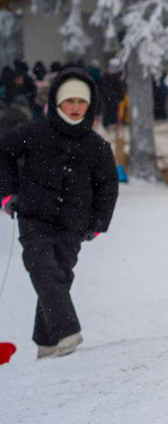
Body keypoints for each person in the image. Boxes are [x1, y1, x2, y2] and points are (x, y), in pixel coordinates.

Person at [0, 68, 119, 358]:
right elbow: (2, 152)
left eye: (82, 102)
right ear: (57, 103)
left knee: (59, 276)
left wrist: (97, 223)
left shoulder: (97, 147)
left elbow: (107, 186)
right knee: (42, 268)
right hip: (33, 217)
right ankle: (67, 331)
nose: (76, 107)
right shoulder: (35, 133)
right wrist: (7, 193)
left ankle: (46, 344)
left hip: (73, 225)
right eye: (70, 101)